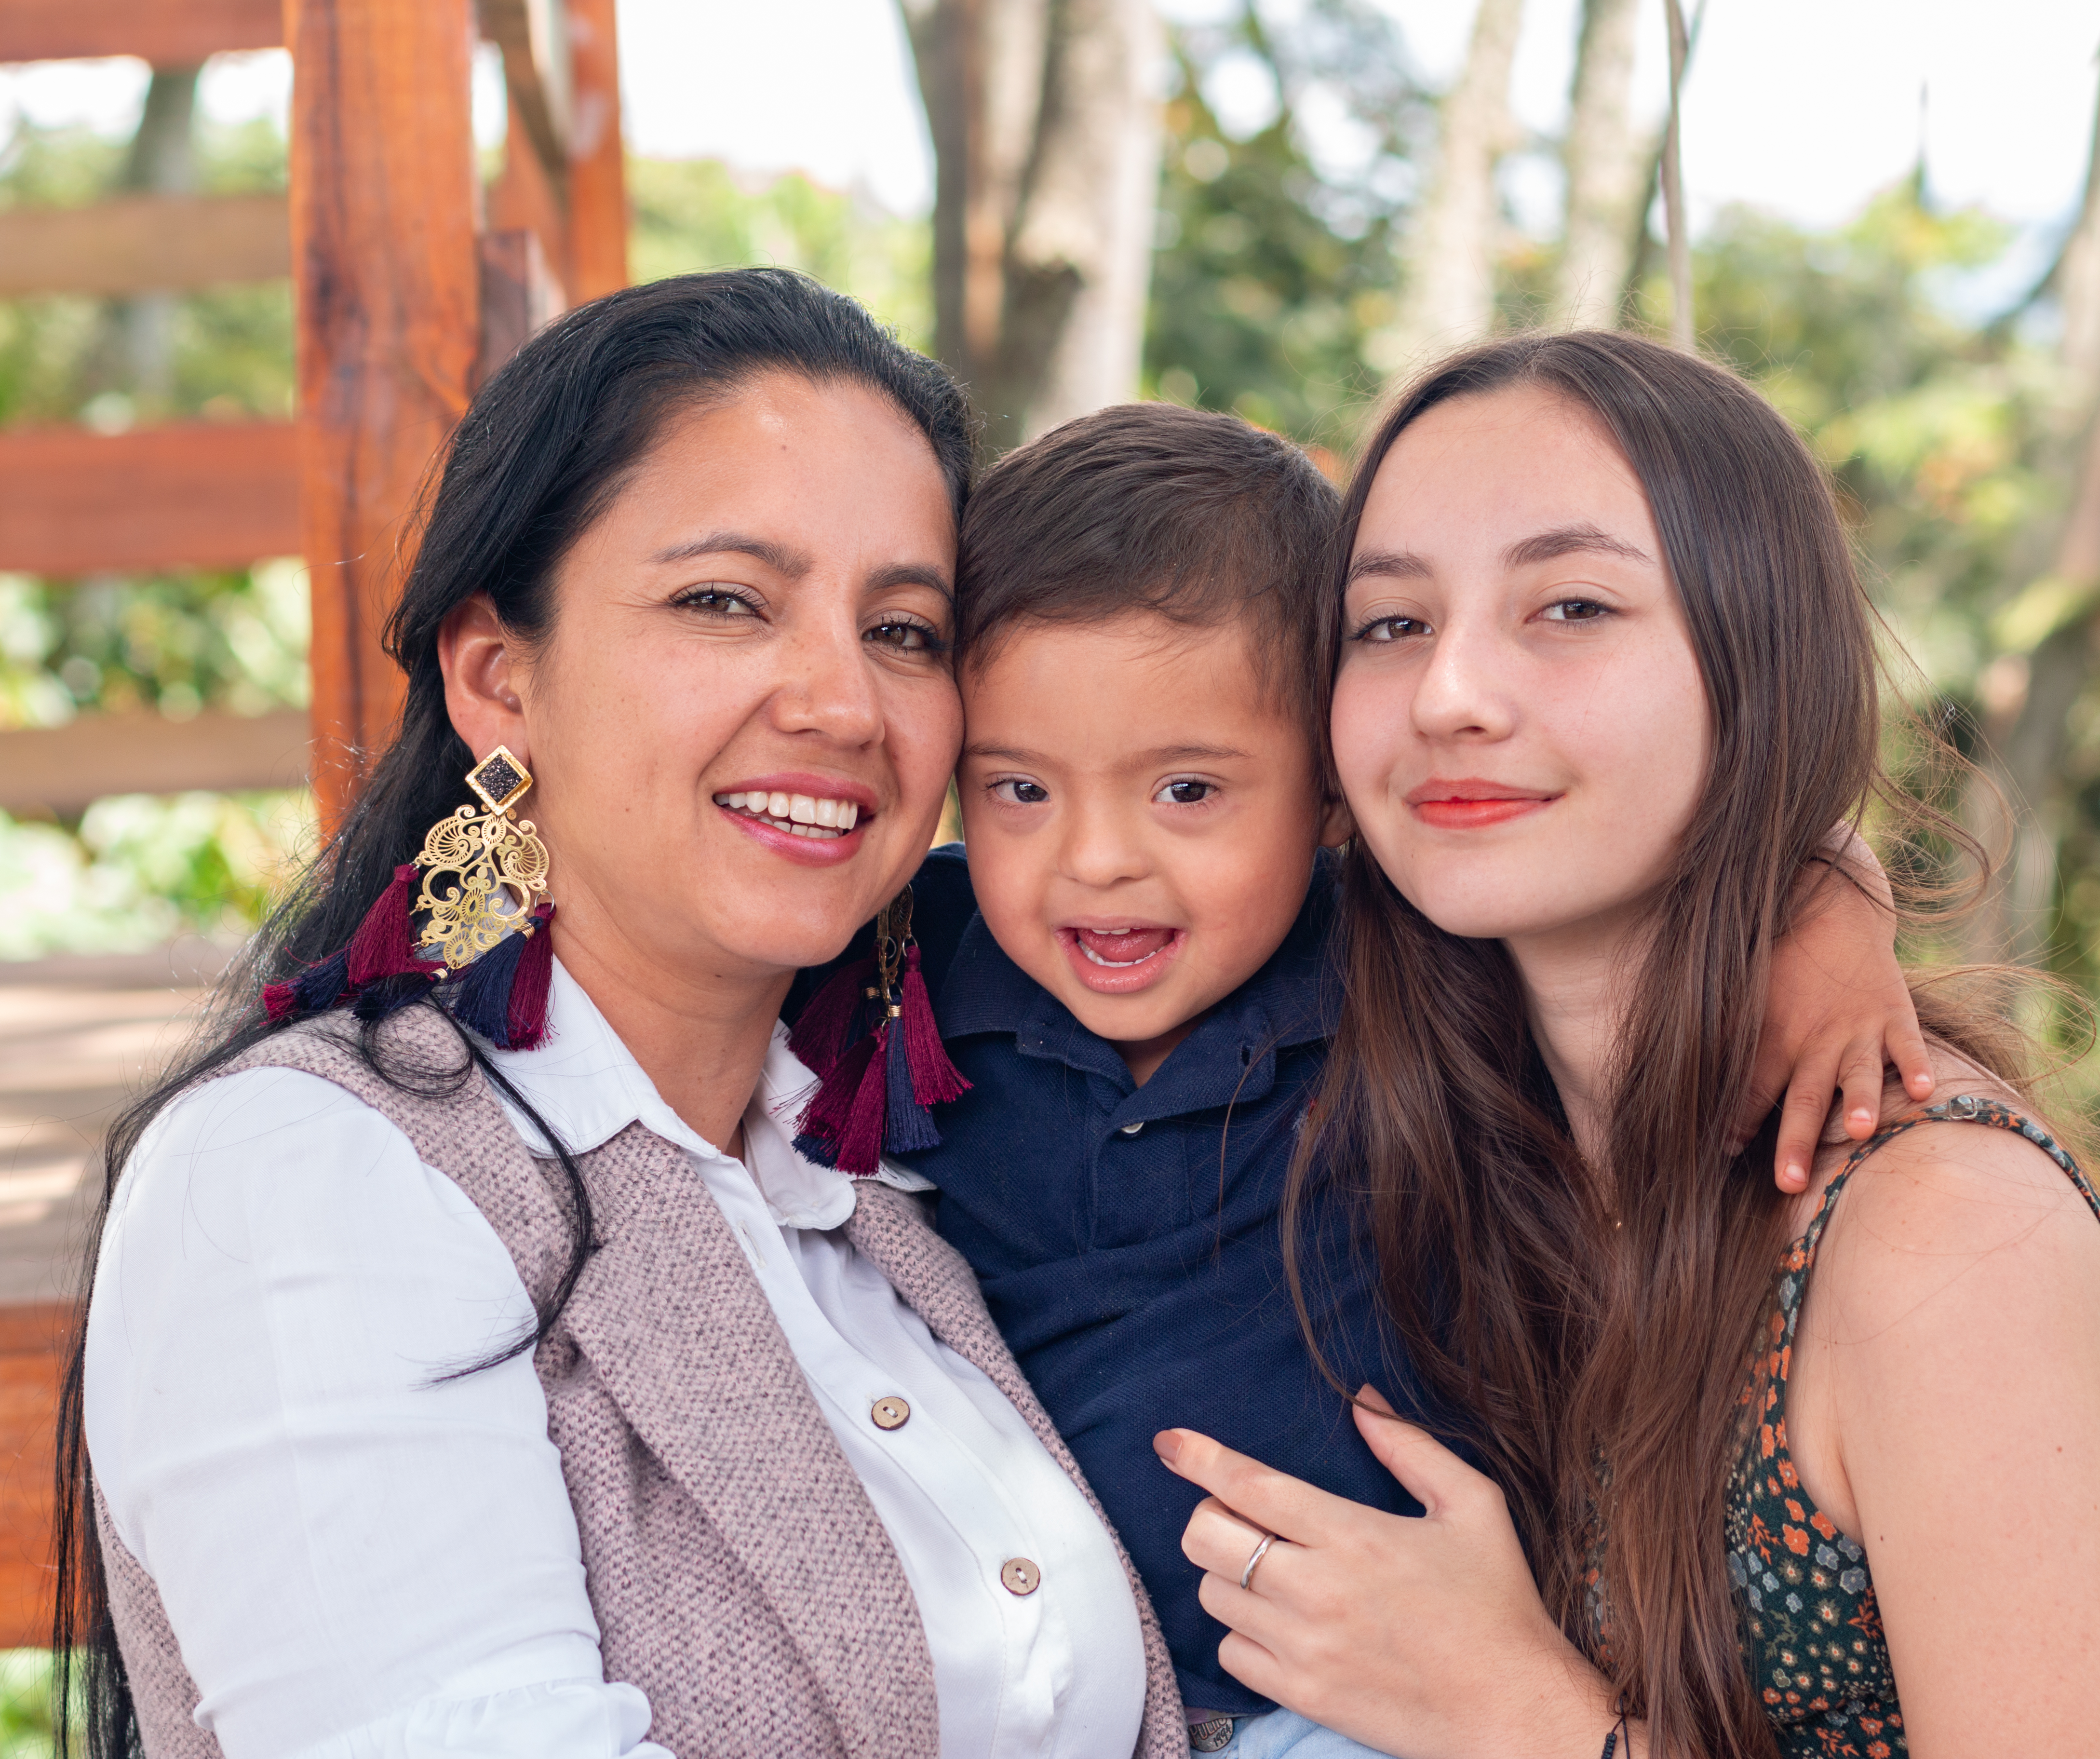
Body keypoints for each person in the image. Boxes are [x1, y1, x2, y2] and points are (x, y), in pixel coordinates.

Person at [54, 269, 1189, 1759]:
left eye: (905, 630)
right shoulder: (306, 1178)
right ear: (497, 676)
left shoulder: (891, 1180)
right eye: (725, 601)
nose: (844, 701)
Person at [1155, 331, 2100, 1759]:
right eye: (1391, 624)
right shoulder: (1435, 1110)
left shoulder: (1932, 1234)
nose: (1450, 693)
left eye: (1574, 606)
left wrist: (1524, 1719)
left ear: (1758, 661)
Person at [827, 400, 1937, 1759]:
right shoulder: (906, 962)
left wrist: (1830, 904)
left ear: (1332, 789)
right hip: (1037, 1695)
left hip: (1368, 1704)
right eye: (1018, 792)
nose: (1096, 861)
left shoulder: (1397, 956)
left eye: (1187, 792)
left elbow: (1681, 843)